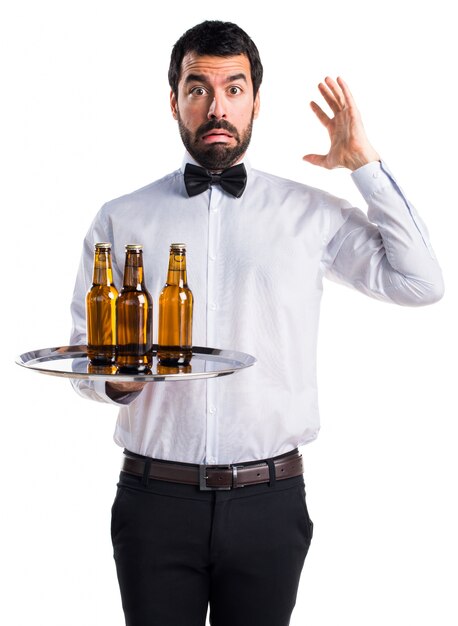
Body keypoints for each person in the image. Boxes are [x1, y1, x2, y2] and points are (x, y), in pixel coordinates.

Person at [69, 19, 444, 626]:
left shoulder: (310, 213)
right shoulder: (121, 218)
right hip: (153, 500)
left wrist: (365, 165)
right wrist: (116, 381)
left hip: (269, 502)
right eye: (198, 89)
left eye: (234, 89)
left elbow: (421, 282)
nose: (217, 107)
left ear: (256, 101)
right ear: (175, 101)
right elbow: (89, 356)